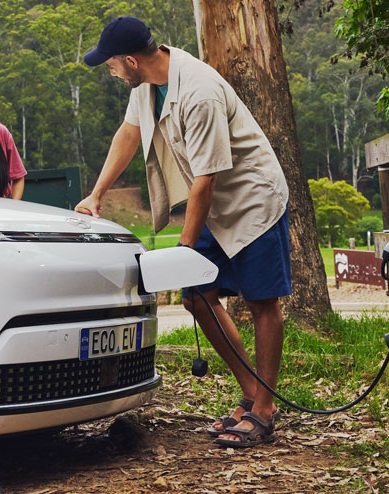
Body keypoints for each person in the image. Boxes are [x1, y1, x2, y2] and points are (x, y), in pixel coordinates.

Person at [73, 16, 295, 448]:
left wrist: (184, 249)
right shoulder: (145, 86)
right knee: (196, 297)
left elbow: (206, 179)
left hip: (252, 199)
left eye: (111, 64)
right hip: (213, 204)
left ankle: (266, 410)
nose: (110, 71)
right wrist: (97, 193)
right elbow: (128, 135)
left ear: (131, 61)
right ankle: (252, 394)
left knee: (262, 301)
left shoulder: (199, 92)